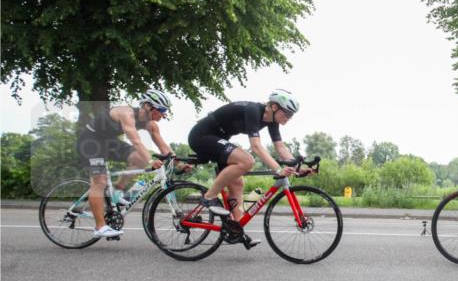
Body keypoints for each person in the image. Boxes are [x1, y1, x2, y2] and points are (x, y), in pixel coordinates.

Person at [187, 90, 310, 247]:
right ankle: (209, 196)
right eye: (286, 113)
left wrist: (298, 167)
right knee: (247, 161)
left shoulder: (272, 120)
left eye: (291, 115)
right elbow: (256, 146)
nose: (288, 118)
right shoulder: (253, 110)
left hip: (219, 139)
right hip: (201, 136)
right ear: (273, 107)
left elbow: (280, 147)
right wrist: (278, 170)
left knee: (238, 184)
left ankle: (236, 229)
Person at [76, 88, 179, 238]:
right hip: (90, 142)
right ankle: (100, 226)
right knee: (100, 181)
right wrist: (150, 160)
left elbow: (164, 148)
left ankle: (118, 191)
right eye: (162, 110)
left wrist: (179, 163)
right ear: (148, 106)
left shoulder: (151, 124)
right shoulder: (126, 113)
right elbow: (135, 140)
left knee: (140, 159)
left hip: (109, 142)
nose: (164, 114)